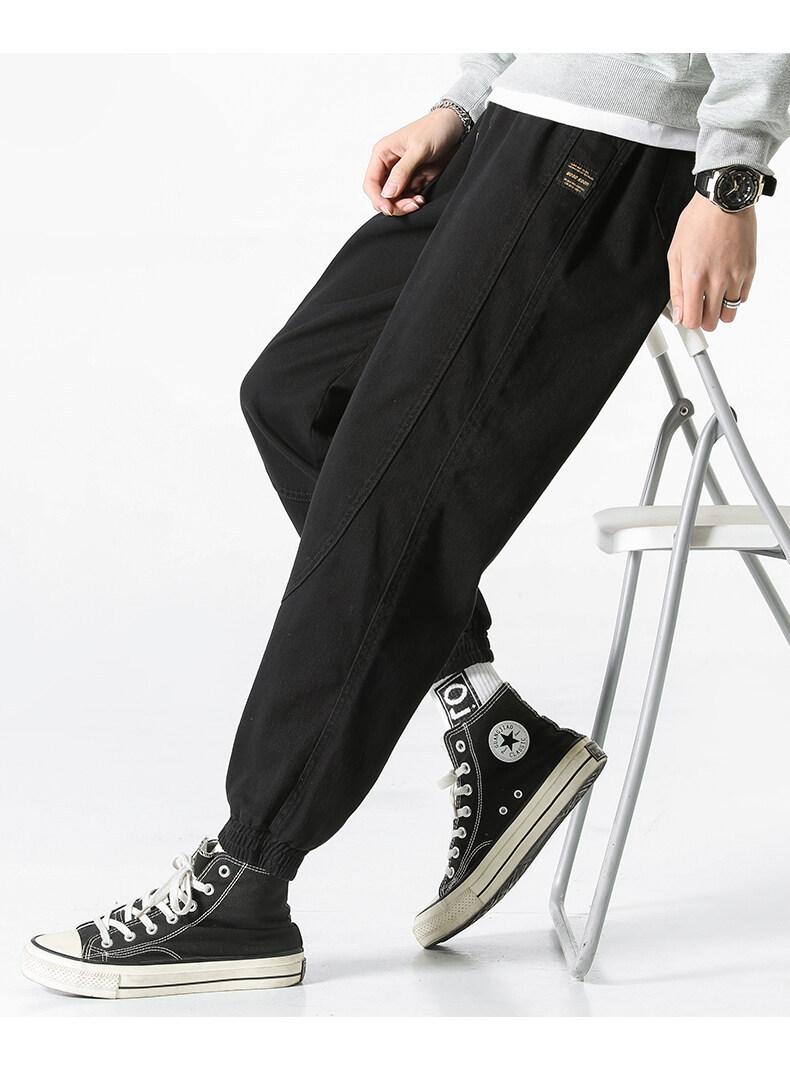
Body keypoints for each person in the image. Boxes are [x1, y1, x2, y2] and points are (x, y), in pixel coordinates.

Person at [23, 52, 790, 999]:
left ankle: (249, 876)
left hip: (612, 145)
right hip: (520, 119)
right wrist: (466, 101)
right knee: (297, 395)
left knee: (396, 493)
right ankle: (495, 726)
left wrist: (730, 174)